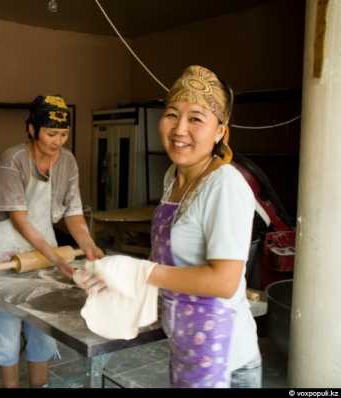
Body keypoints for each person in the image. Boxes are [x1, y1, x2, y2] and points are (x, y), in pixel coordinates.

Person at [77, 65, 261, 388]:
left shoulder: (225, 186)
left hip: (225, 360)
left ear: (220, 131)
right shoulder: (172, 178)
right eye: (172, 114)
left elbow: (225, 281)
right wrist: (121, 283)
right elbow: (172, 262)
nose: (179, 129)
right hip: (186, 349)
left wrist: (141, 273)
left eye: (196, 118)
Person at [0, 94, 104, 388]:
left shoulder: (68, 161)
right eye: (51, 133)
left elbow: (73, 213)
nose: (58, 141)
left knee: (42, 325)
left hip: (44, 246)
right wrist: (55, 258)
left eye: (63, 134)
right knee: (7, 330)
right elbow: (20, 220)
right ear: (31, 129)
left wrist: (88, 245)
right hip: (7, 250)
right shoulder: (13, 159)